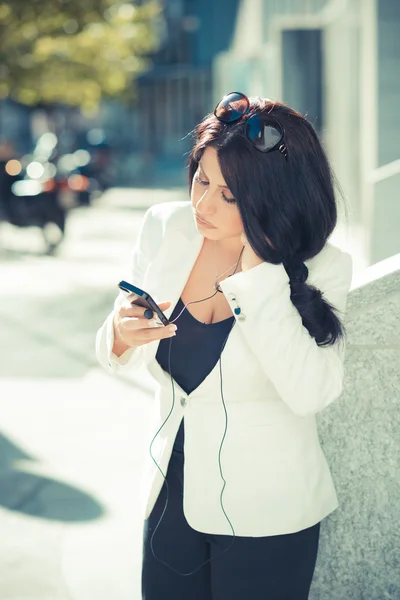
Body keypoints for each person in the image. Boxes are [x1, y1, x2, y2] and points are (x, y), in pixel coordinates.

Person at [95, 92, 353, 600]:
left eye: (230, 196)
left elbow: (312, 392)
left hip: (269, 512)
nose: (203, 205)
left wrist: (258, 272)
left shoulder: (325, 266)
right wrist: (120, 335)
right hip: (171, 497)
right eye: (201, 180)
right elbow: (116, 344)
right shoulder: (167, 227)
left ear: (274, 197)